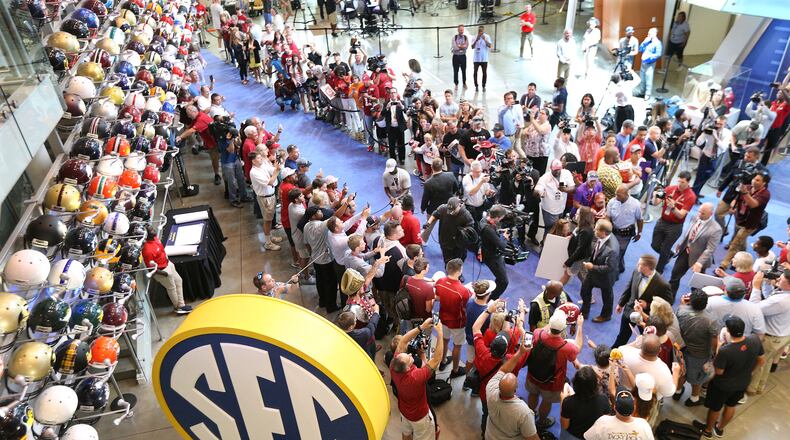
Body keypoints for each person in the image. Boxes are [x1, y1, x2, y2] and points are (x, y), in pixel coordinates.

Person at [693, 317, 765, 438]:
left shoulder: (726, 351)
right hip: (743, 382)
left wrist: (719, 348)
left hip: (722, 386)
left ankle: (708, 430)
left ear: (728, 331)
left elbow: (719, 372)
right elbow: (762, 360)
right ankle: (720, 429)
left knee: (715, 409)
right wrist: (749, 372)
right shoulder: (755, 339)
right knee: (731, 406)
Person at [526, 309, 583, 430]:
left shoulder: (537, 333)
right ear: (564, 329)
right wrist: (580, 326)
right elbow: (578, 347)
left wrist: (554, 319)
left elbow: (544, 330)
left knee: (533, 394)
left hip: (533, 374)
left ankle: (529, 417)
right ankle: (542, 421)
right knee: (547, 401)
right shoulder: (566, 347)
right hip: (551, 382)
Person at [390, 318, 444, 440]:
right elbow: (437, 359)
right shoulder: (415, 378)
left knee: (406, 434)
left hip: (404, 411)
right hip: (420, 417)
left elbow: (403, 341)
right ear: (408, 368)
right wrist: (440, 334)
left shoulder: (394, 367)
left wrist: (421, 327)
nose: (409, 354)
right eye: (409, 357)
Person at [612, 255, 672, 347]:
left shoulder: (663, 284)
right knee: (622, 336)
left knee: (646, 339)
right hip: (630, 310)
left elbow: (667, 303)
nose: (637, 265)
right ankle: (614, 352)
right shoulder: (636, 271)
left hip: (647, 316)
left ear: (647, 267)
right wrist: (621, 303)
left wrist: (647, 305)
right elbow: (629, 287)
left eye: (639, 264)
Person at [747, 269, 790, 394]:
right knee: (767, 361)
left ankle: (751, 388)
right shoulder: (783, 296)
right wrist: (769, 286)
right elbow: (771, 301)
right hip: (784, 335)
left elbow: (754, 309)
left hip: (771, 337)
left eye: (781, 279)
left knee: (758, 363)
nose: (777, 280)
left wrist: (756, 287)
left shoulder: (781, 301)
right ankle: (760, 386)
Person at [486, 340, 540, 440]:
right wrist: (521, 352)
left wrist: (520, 352)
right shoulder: (523, 412)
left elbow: (503, 370)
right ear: (516, 390)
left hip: (490, 435)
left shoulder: (490, 388)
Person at [675, 289, 719, 407]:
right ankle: (694, 399)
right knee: (697, 378)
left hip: (681, 349)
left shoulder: (681, 310)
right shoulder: (711, 320)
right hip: (700, 354)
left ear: (691, 301)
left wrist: (682, 304)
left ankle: (677, 392)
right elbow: (715, 340)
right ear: (706, 304)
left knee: (681, 373)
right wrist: (714, 353)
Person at [720, 171, 771, 270]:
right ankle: (743, 261)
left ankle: (724, 265)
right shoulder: (747, 187)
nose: (753, 181)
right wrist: (732, 206)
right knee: (741, 243)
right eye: (753, 179)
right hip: (738, 219)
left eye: (757, 180)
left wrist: (745, 193)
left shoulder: (765, 194)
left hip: (750, 224)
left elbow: (753, 204)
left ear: (764, 183)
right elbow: (736, 199)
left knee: (735, 244)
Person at [669, 203, 722, 295]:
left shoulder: (716, 229)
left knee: (697, 285)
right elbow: (689, 231)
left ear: (711, 214)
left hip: (699, 258)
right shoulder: (695, 217)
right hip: (686, 251)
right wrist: (681, 244)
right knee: (674, 275)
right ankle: (670, 298)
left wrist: (699, 263)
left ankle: (696, 302)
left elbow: (710, 249)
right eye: (699, 212)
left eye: (703, 213)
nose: (699, 215)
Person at [651, 171, 696, 273]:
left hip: (675, 226)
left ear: (688, 183)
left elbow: (681, 215)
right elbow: (655, 203)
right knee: (654, 245)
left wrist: (673, 207)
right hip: (662, 221)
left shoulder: (691, 196)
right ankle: (670, 255)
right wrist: (655, 196)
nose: (680, 184)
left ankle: (659, 271)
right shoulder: (670, 189)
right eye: (679, 181)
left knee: (664, 250)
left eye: (683, 182)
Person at [142, 225, 192, 314]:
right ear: (146, 234)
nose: (154, 230)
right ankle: (179, 307)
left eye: (152, 228)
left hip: (168, 264)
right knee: (172, 288)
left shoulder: (155, 238)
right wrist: (165, 273)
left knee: (179, 281)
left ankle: (181, 304)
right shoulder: (147, 250)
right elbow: (151, 269)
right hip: (162, 271)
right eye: (151, 230)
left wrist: (169, 262)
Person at [435, 258, 471, 378]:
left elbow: (438, 296)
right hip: (457, 323)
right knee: (457, 346)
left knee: (445, 340)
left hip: (443, 318)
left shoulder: (439, 282)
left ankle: (443, 360)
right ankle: (455, 370)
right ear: (459, 271)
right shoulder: (463, 291)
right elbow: (467, 305)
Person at [580, 219, 619, 322]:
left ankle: (606, 315)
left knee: (607, 297)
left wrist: (592, 267)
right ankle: (584, 311)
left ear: (603, 232)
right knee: (585, 290)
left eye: (596, 229)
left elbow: (610, 268)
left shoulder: (612, 249)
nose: (594, 230)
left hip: (605, 277)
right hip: (593, 273)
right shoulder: (602, 237)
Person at [560, 366, 612, 440]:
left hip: (573, 435)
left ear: (575, 383)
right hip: (593, 436)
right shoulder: (603, 399)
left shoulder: (568, 402)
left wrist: (563, 400)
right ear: (595, 383)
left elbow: (565, 426)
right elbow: (606, 421)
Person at [175, 105, 220, 185]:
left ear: (194, 112)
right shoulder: (197, 117)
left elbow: (192, 130)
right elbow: (190, 127)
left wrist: (180, 137)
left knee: (215, 159)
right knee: (214, 158)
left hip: (215, 143)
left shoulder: (201, 119)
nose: (188, 116)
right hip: (210, 142)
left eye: (189, 114)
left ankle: (217, 175)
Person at [248, 151, 284, 251]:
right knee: (267, 221)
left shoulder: (262, 165)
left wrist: (277, 167)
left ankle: (270, 236)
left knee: (270, 219)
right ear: (253, 161)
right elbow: (270, 182)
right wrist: (277, 171)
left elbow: (272, 170)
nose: (261, 159)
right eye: (259, 158)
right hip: (265, 198)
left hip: (270, 196)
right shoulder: (254, 172)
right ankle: (268, 243)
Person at [583, 390, 654, 440]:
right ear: (634, 408)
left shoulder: (603, 421)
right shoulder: (644, 425)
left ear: (614, 407)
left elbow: (587, 437)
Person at [424, 197, 474, 264]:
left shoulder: (466, 214)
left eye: (453, 211)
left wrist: (464, 231)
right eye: (449, 211)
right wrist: (428, 222)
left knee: (458, 260)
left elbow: (471, 226)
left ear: (459, 205)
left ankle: (457, 272)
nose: (451, 213)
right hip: (445, 240)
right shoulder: (443, 208)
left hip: (458, 243)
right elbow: (435, 214)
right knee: (447, 261)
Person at [607, 185, 643, 275]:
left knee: (617, 254)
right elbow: (608, 216)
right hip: (613, 231)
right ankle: (621, 267)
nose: (616, 197)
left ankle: (613, 276)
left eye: (619, 195)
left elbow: (640, 219)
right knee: (614, 252)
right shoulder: (612, 202)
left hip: (625, 234)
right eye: (616, 194)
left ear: (626, 194)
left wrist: (640, 232)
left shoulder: (636, 204)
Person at [534, 159, 575, 241]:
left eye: (558, 170)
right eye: (555, 170)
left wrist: (565, 189)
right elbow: (537, 189)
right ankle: (545, 247)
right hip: (550, 210)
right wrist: (538, 192)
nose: (557, 172)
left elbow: (573, 187)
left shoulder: (566, 173)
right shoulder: (545, 178)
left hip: (561, 208)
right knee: (550, 230)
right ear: (550, 168)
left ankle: (553, 245)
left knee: (558, 230)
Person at [692, 116, 730, 196]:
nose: (718, 126)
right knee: (699, 176)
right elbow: (698, 143)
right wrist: (703, 134)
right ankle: (694, 194)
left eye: (721, 124)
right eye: (717, 123)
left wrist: (716, 137)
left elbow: (723, 148)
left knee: (706, 177)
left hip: (715, 158)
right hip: (705, 157)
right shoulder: (709, 130)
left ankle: (696, 192)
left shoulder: (727, 133)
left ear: (725, 124)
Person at [336, 292, 381, 359]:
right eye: (355, 320)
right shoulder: (363, 333)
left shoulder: (338, 332)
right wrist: (376, 312)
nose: (356, 321)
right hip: (365, 349)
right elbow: (372, 326)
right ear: (351, 327)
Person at [479, 205, 510, 301]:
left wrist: (499, 232)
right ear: (497, 217)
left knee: (500, 278)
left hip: (492, 253)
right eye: (501, 218)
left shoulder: (484, 220)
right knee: (504, 282)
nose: (501, 220)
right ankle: (491, 300)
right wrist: (504, 237)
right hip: (492, 257)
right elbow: (502, 245)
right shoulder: (488, 229)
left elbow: (493, 235)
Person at [562, 207, 595, 286]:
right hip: (579, 257)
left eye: (577, 214)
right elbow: (576, 237)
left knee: (567, 274)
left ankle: (553, 290)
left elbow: (580, 249)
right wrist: (571, 237)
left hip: (579, 258)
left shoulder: (586, 231)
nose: (575, 215)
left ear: (582, 216)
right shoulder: (581, 226)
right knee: (582, 277)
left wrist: (568, 262)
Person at [633, 28, 662, 100]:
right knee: (642, 78)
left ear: (655, 34)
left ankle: (647, 94)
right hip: (643, 62)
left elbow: (658, 54)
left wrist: (649, 58)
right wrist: (644, 42)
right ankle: (642, 92)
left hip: (650, 63)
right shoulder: (648, 41)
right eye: (648, 33)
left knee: (649, 79)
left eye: (650, 34)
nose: (648, 35)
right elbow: (640, 49)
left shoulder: (657, 43)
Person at [383, 88, 408, 165]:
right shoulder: (386, 103)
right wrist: (387, 108)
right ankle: (393, 160)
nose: (393, 94)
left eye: (394, 92)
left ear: (397, 93)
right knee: (391, 145)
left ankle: (402, 158)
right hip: (391, 128)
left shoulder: (402, 102)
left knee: (401, 144)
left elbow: (407, 111)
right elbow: (382, 114)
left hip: (399, 127)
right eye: (391, 93)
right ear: (389, 94)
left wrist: (402, 107)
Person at [471, 26, 492, 92]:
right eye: (479, 31)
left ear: (483, 31)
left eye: (481, 31)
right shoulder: (474, 37)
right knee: (475, 73)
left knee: (484, 73)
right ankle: (476, 86)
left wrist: (485, 40)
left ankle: (483, 85)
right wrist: (476, 39)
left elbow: (490, 46)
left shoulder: (487, 36)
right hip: (476, 59)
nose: (480, 32)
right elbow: (472, 47)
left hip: (484, 58)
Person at [451, 24, 469, 89]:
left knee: (463, 70)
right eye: (460, 30)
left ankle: (464, 83)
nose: (462, 31)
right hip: (456, 56)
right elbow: (455, 47)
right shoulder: (454, 37)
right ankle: (456, 84)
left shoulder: (465, 37)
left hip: (463, 56)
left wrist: (459, 45)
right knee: (456, 71)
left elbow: (466, 46)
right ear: (458, 30)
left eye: (462, 30)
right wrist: (462, 46)